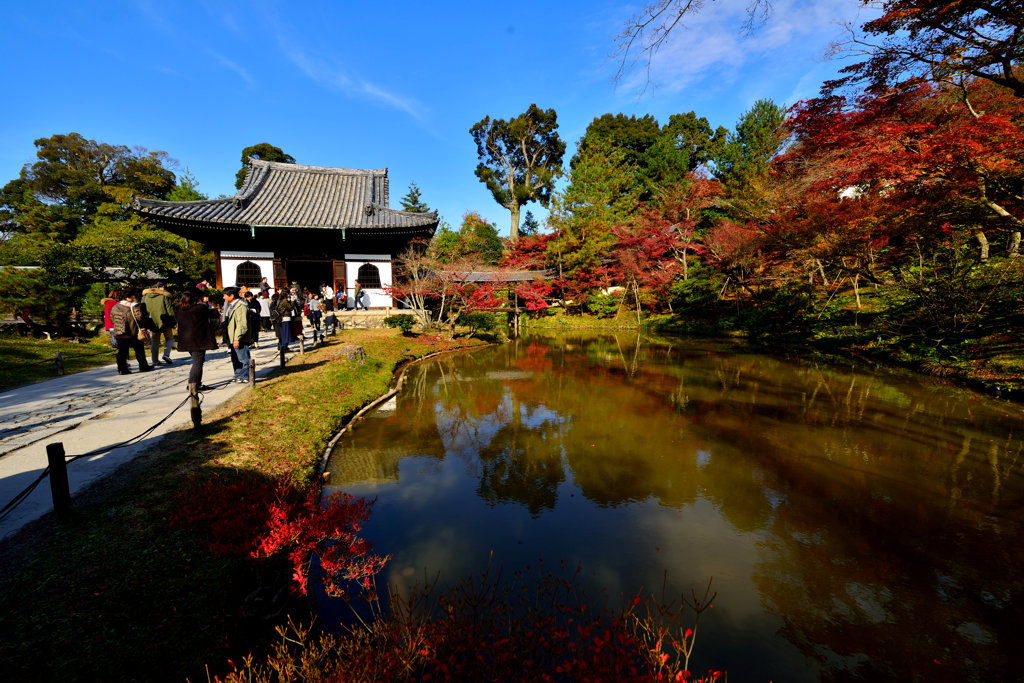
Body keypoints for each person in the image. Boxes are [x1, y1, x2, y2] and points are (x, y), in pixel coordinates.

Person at [174, 290, 218, 391]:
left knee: (196, 361)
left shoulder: (178, 309)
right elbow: (213, 314)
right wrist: (213, 309)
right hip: (198, 339)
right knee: (198, 362)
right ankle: (193, 384)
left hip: (185, 339)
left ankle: (195, 383)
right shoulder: (200, 308)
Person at [109, 289, 154, 375]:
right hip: (132, 332)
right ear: (127, 297)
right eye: (131, 296)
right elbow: (140, 317)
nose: (133, 298)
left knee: (122, 352)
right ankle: (143, 366)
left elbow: (112, 319)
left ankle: (122, 369)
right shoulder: (133, 306)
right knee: (139, 350)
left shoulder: (115, 307)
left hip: (119, 333)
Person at [222, 286, 252, 384]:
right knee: (235, 359)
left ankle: (246, 376)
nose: (223, 298)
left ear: (231, 295)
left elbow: (242, 324)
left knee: (243, 358)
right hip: (232, 337)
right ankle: (238, 376)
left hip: (239, 338)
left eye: (225, 295)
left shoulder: (241, 306)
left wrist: (237, 338)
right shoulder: (230, 305)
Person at [142, 281, 176, 365]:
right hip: (165, 321)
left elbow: (142, 310)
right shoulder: (164, 296)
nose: (164, 288)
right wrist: (173, 322)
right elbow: (169, 310)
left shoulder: (145, 297)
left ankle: (154, 360)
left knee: (155, 341)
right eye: (162, 286)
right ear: (157, 288)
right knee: (169, 338)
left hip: (152, 321)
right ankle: (166, 355)